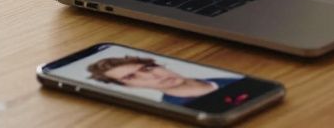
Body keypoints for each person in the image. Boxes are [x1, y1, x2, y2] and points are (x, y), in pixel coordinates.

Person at [86, 55, 241, 105]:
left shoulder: (230, 79)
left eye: (147, 68)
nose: (154, 76)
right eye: (131, 77)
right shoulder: (181, 108)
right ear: (128, 86)